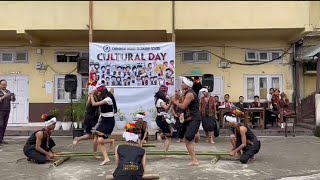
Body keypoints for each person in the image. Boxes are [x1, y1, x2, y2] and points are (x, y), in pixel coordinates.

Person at [171, 76, 201, 166]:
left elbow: (183, 106)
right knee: (185, 138)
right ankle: (196, 134)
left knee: (187, 139)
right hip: (188, 119)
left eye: (183, 83)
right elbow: (182, 101)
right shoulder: (186, 93)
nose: (181, 84)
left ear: (187, 84)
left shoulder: (190, 94)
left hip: (194, 118)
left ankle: (195, 160)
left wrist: (175, 101)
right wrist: (178, 97)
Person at [90, 86, 116, 165]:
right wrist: (93, 92)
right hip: (103, 120)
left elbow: (94, 104)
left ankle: (111, 142)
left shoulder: (107, 99)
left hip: (109, 121)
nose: (98, 94)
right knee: (99, 140)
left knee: (99, 140)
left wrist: (91, 96)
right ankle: (106, 158)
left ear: (103, 92)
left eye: (99, 92)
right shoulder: (104, 97)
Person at [73, 88, 101, 159]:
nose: (99, 93)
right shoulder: (92, 100)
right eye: (98, 92)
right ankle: (95, 154)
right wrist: (91, 96)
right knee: (96, 136)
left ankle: (78, 138)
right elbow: (93, 105)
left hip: (89, 118)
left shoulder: (92, 98)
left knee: (89, 135)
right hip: (91, 119)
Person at [154, 86, 173, 152]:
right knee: (169, 136)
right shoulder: (160, 101)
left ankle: (161, 135)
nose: (166, 93)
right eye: (165, 92)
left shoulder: (159, 100)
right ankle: (165, 150)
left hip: (161, 119)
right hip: (161, 119)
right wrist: (170, 102)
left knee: (168, 135)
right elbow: (166, 108)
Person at [0, 79, 16, 145]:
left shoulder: (8, 91)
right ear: (0, 85)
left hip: (7, 110)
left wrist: (13, 97)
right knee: (0, 125)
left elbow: (13, 100)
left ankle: (1, 139)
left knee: (4, 125)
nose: (4, 86)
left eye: (5, 85)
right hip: (0, 111)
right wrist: (4, 96)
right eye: (3, 85)